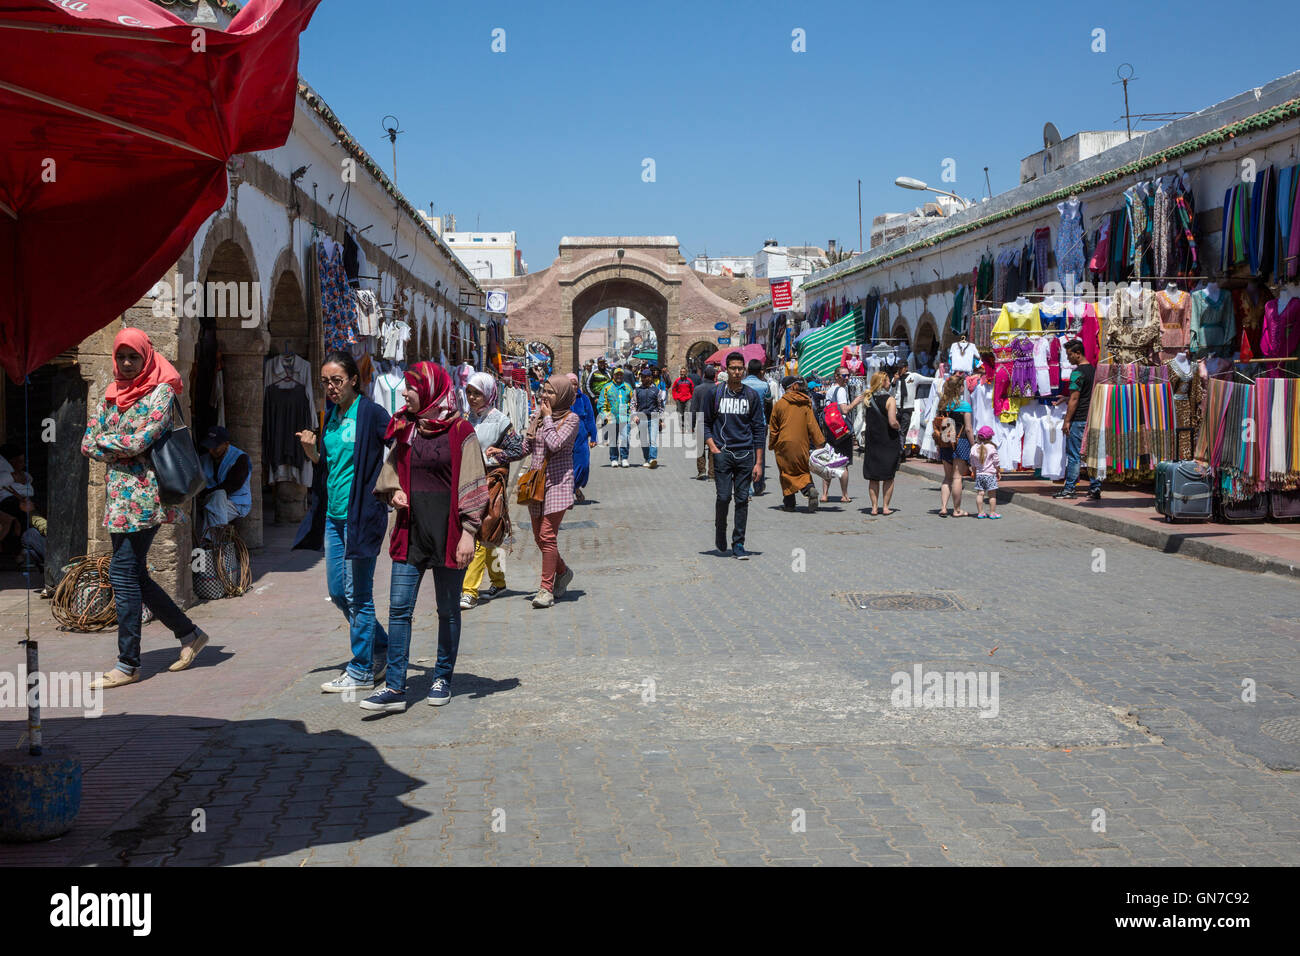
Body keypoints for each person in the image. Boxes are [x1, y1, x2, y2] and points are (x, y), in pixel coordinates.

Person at [81, 328, 210, 689]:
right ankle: (189, 634)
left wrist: (111, 442)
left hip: (146, 498)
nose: (125, 363)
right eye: (121, 357)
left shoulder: (162, 392)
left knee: (122, 573)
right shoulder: (111, 392)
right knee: (134, 574)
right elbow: (87, 441)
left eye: (132, 357)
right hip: (118, 497)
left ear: (146, 357)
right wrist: (119, 444)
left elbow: (141, 439)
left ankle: (128, 663)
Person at [361, 363, 488, 712]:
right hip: (411, 530)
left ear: (430, 390)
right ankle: (395, 688)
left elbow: (476, 483)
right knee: (399, 609)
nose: (404, 393)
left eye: (412, 388)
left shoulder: (461, 430)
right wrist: (394, 493)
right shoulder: (406, 427)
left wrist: (468, 533)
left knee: (447, 610)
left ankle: (442, 676)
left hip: (449, 532)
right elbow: (390, 473)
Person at [295, 350, 392, 694]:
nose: (331, 388)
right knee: (338, 592)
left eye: (337, 380)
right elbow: (328, 464)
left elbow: (399, 447)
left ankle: (362, 669)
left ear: (353, 379)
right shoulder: (331, 416)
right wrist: (311, 452)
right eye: (325, 382)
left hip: (361, 515)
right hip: (334, 517)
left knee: (358, 594)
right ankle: (384, 646)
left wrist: (390, 488)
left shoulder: (372, 414)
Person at [460, 372, 526, 610]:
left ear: (488, 393)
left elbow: (518, 448)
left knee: (479, 531)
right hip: (469, 481)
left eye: (477, 393)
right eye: (469, 392)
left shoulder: (500, 420)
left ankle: (469, 590)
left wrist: (500, 453)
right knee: (491, 535)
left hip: (491, 482)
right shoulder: (467, 418)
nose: (472, 397)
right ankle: (498, 581)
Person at [524, 375, 580, 607]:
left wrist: (546, 419)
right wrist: (501, 451)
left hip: (558, 484)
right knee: (539, 538)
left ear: (563, 395)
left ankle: (546, 589)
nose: (544, 395)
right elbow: (527, 446)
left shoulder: (571, 419)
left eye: (550, 392)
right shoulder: (538, 416)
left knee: (547, 536)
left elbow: (555, 443)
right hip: (536, 484)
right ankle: (563, 571)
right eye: (543, 390)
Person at [705, 351, 765, 559]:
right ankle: (720, 530)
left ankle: (738, 543)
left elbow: (759, 429)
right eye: (733, 368)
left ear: (744, 370)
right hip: (723, 453)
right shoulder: (715, 394)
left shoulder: (751, 396)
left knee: (742, 500)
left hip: (745, 454)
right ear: (726, 369)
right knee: (723, 497)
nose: (737, 372)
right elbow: (705, 423)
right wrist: (713, 447)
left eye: (740, 368)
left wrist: (758, 463)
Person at [768, 376, 823, 512]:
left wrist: (771, 443)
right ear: (794, 387)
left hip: (783, 444)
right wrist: (819, 442)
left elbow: (774, 428)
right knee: (802, 469)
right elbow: (812, 425)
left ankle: (790, 503)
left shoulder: (780, 404)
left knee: (786, 472)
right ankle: (809, 488)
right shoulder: (806, 403)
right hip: (802, 443)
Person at [1055, 339, 1102, 500]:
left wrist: (1067, 421)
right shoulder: (1093, 370)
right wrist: (1066, 397)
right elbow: (1085, 395)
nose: (1068, 358)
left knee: (1074, 455)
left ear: (1078, 353)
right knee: (1092, 455)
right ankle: (1095, 487)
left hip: (1079, 419)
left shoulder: (1077, 373)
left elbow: (1076, 399)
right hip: (1092, 418)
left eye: (1069, 355)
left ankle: (1069, 489)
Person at [195, 426, 251, 543]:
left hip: (236, 503)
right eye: (209, 447)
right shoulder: (204, 459)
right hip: (210, 499)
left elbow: (232, 485)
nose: (211, 451)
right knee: (214, 503)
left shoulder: (240, 458)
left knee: (215, 501)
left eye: (215, 448)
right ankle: (219, 544)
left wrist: (206, 494)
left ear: (226, 444)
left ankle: (212, 543)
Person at [857, 371, 901, 515]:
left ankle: (874, 507)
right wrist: (899, 427)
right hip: (887, 441)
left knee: (873, 477)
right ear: (883, 382)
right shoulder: (890, 400)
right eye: (888, 381)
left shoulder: (867, 398)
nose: (890, 383)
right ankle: (886, 506)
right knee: (889, 476)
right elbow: (892, 421)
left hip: (872, 441)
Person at [933, 373, 974, 517]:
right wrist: (973, 444)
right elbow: (968, 428)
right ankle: (957, 510)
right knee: (957, 478)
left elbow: (939, 425)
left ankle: (943, 507)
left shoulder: (942, 404)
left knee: (947, 477)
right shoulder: (964, 405)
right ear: (959, 388)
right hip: (961, 441)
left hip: (945, 441)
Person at [820, 367, 855, 504]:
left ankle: (824, 494)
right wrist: (856, 402)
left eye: (848, 376)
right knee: (843, 462)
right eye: (844, 376)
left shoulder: (830, 390)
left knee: (829, 461)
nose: (846, 378)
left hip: (830, 429)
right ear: (836, 376)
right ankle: (845, 495)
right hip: (841, 430)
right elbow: (844, 409)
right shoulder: (840, 390)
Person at [566, 371, 599, 502]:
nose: (573, 387)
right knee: (567, 468)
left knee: (583, 465)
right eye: (571, 384)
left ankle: (573, 488)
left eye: (575, 384)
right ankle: (570, 491)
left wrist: (594, 437)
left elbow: (590, 418)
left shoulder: (584, 398)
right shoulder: (562, 398)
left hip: (581, 438)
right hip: (565, 438)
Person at [742, 359, 773, 495]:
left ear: (748, 370)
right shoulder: (764, 385)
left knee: (745, 453)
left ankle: (746, 486)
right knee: (760, 454)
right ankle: (758, 485)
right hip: (761, 423)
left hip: (743, 422)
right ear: (760, 371)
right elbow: (768, 402)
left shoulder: (741, 384)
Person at [690, 366, 720, 480]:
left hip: (701, 421)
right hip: (714, 422)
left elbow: (693, 408)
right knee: (713, 447)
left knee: (700, 448)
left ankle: (702, 471)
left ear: (704, 375)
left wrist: (691, 425)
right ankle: (712, 473)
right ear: (714, 376)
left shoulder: (698, 389)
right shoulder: (718, 389)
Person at [600, 367, 634, 467]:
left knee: (625, 438)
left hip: (625, 416)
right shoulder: (607, 387)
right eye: (617, 374)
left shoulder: (627, 387)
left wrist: (632, 413)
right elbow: (602, 403)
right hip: (612, 416)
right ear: (613, 375)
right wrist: (605, 415)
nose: (619, 376)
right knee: (613, 439)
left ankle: (624, 458)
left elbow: (633, 402)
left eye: (620, 374)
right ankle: (614, 458)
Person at [632, 366, 664, 468]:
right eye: (643, 377)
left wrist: (660, 419)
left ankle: (652, 459)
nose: (645, 379)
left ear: (650, 378)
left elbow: (660, 406)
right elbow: (633, 404)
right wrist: (634, 415)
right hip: (641, 417)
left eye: (647, 377)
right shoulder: (637, 390)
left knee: (653, 439)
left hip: (653, 417)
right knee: (644, 440)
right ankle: (646, 458)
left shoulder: (656, 391)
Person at [971, 426, 1002, 518]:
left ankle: (980, 513)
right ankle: (992, 513)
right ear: (990, 437)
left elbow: (972, 463)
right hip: (990, 475)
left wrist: (973, 472)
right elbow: (996, 462)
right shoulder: (991, 447)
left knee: (980, 493)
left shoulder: (974, 447)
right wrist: (998, 471)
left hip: (979, 475)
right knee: (992, 495)